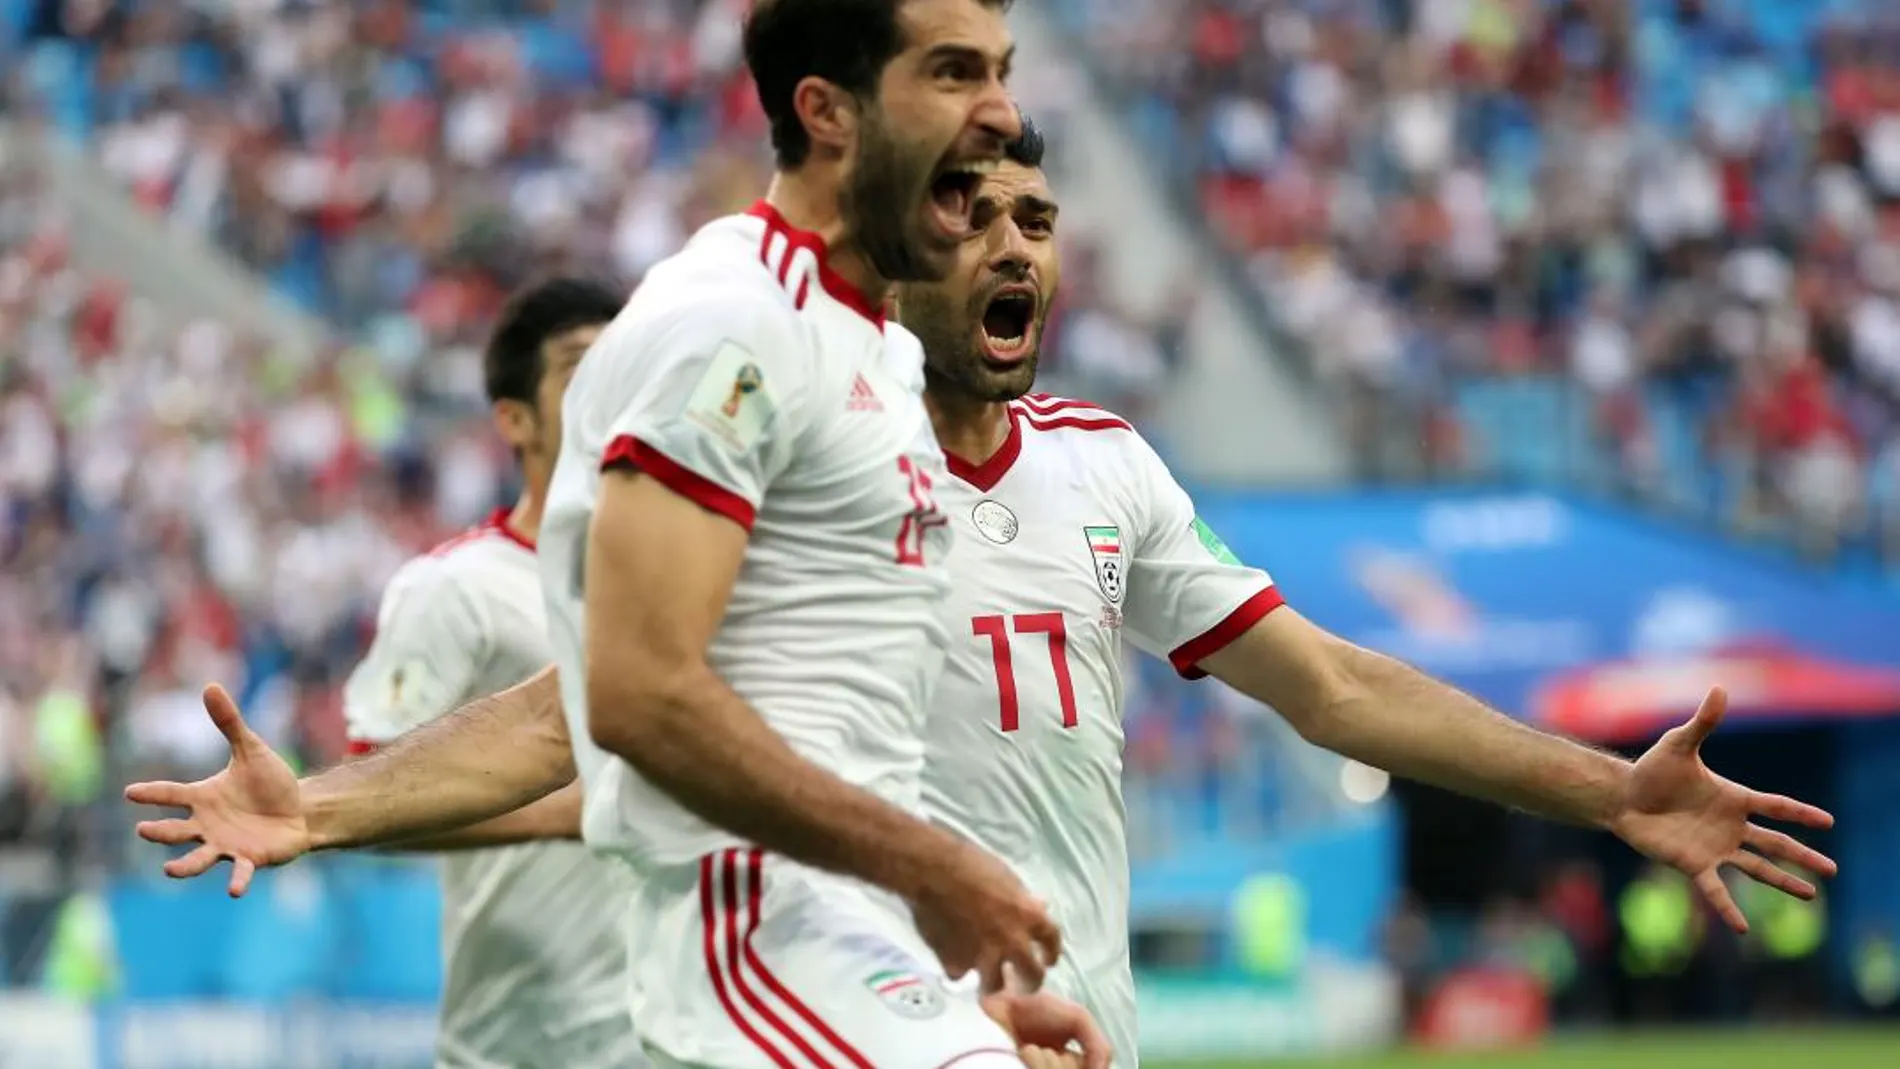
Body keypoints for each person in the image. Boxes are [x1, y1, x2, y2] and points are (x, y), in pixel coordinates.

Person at [130, 122, 1837, 1066]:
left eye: (1037, 212)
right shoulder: (794, 468)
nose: (1018, 240)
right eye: (973, 212)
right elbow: (578, 704)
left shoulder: (1110, 470)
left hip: (1081, 1029)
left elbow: (1333, 685)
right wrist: (332, 803)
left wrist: (1606, 785)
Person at [136, 3, 1105, 1069]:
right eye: (954, 73)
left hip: (835, 960)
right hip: (747, 958)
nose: (1003, 113)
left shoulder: (869, 351)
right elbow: (637, 694)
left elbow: (577, 703)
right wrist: (935, 871)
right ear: (829, 112)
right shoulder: (730, 325)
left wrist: (946, 1009)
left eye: (1001, 72)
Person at [332, 278, 641, 1068]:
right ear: (515, 419)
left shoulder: (696, 578)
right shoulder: (456, 588)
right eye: (579, 369)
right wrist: (564, 807)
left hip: (681, 1033)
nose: (609, 386)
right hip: (523, 1042)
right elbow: (366, 799)